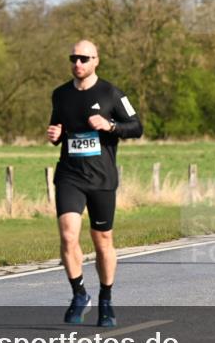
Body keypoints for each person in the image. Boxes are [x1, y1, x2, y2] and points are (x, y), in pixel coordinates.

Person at [47, 40, 143, 328]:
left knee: (103, 241)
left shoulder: (112, 93)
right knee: (67, 236)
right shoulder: (60, 95)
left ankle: (105, 299)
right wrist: (55, 135)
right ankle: (79, 294)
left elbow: (137, 127)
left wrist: (111, 126)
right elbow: (59, 129)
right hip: (70, 175)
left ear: (96, 61)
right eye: (74, 58)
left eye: (84, 58)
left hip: (101, 178)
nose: (78, 63)